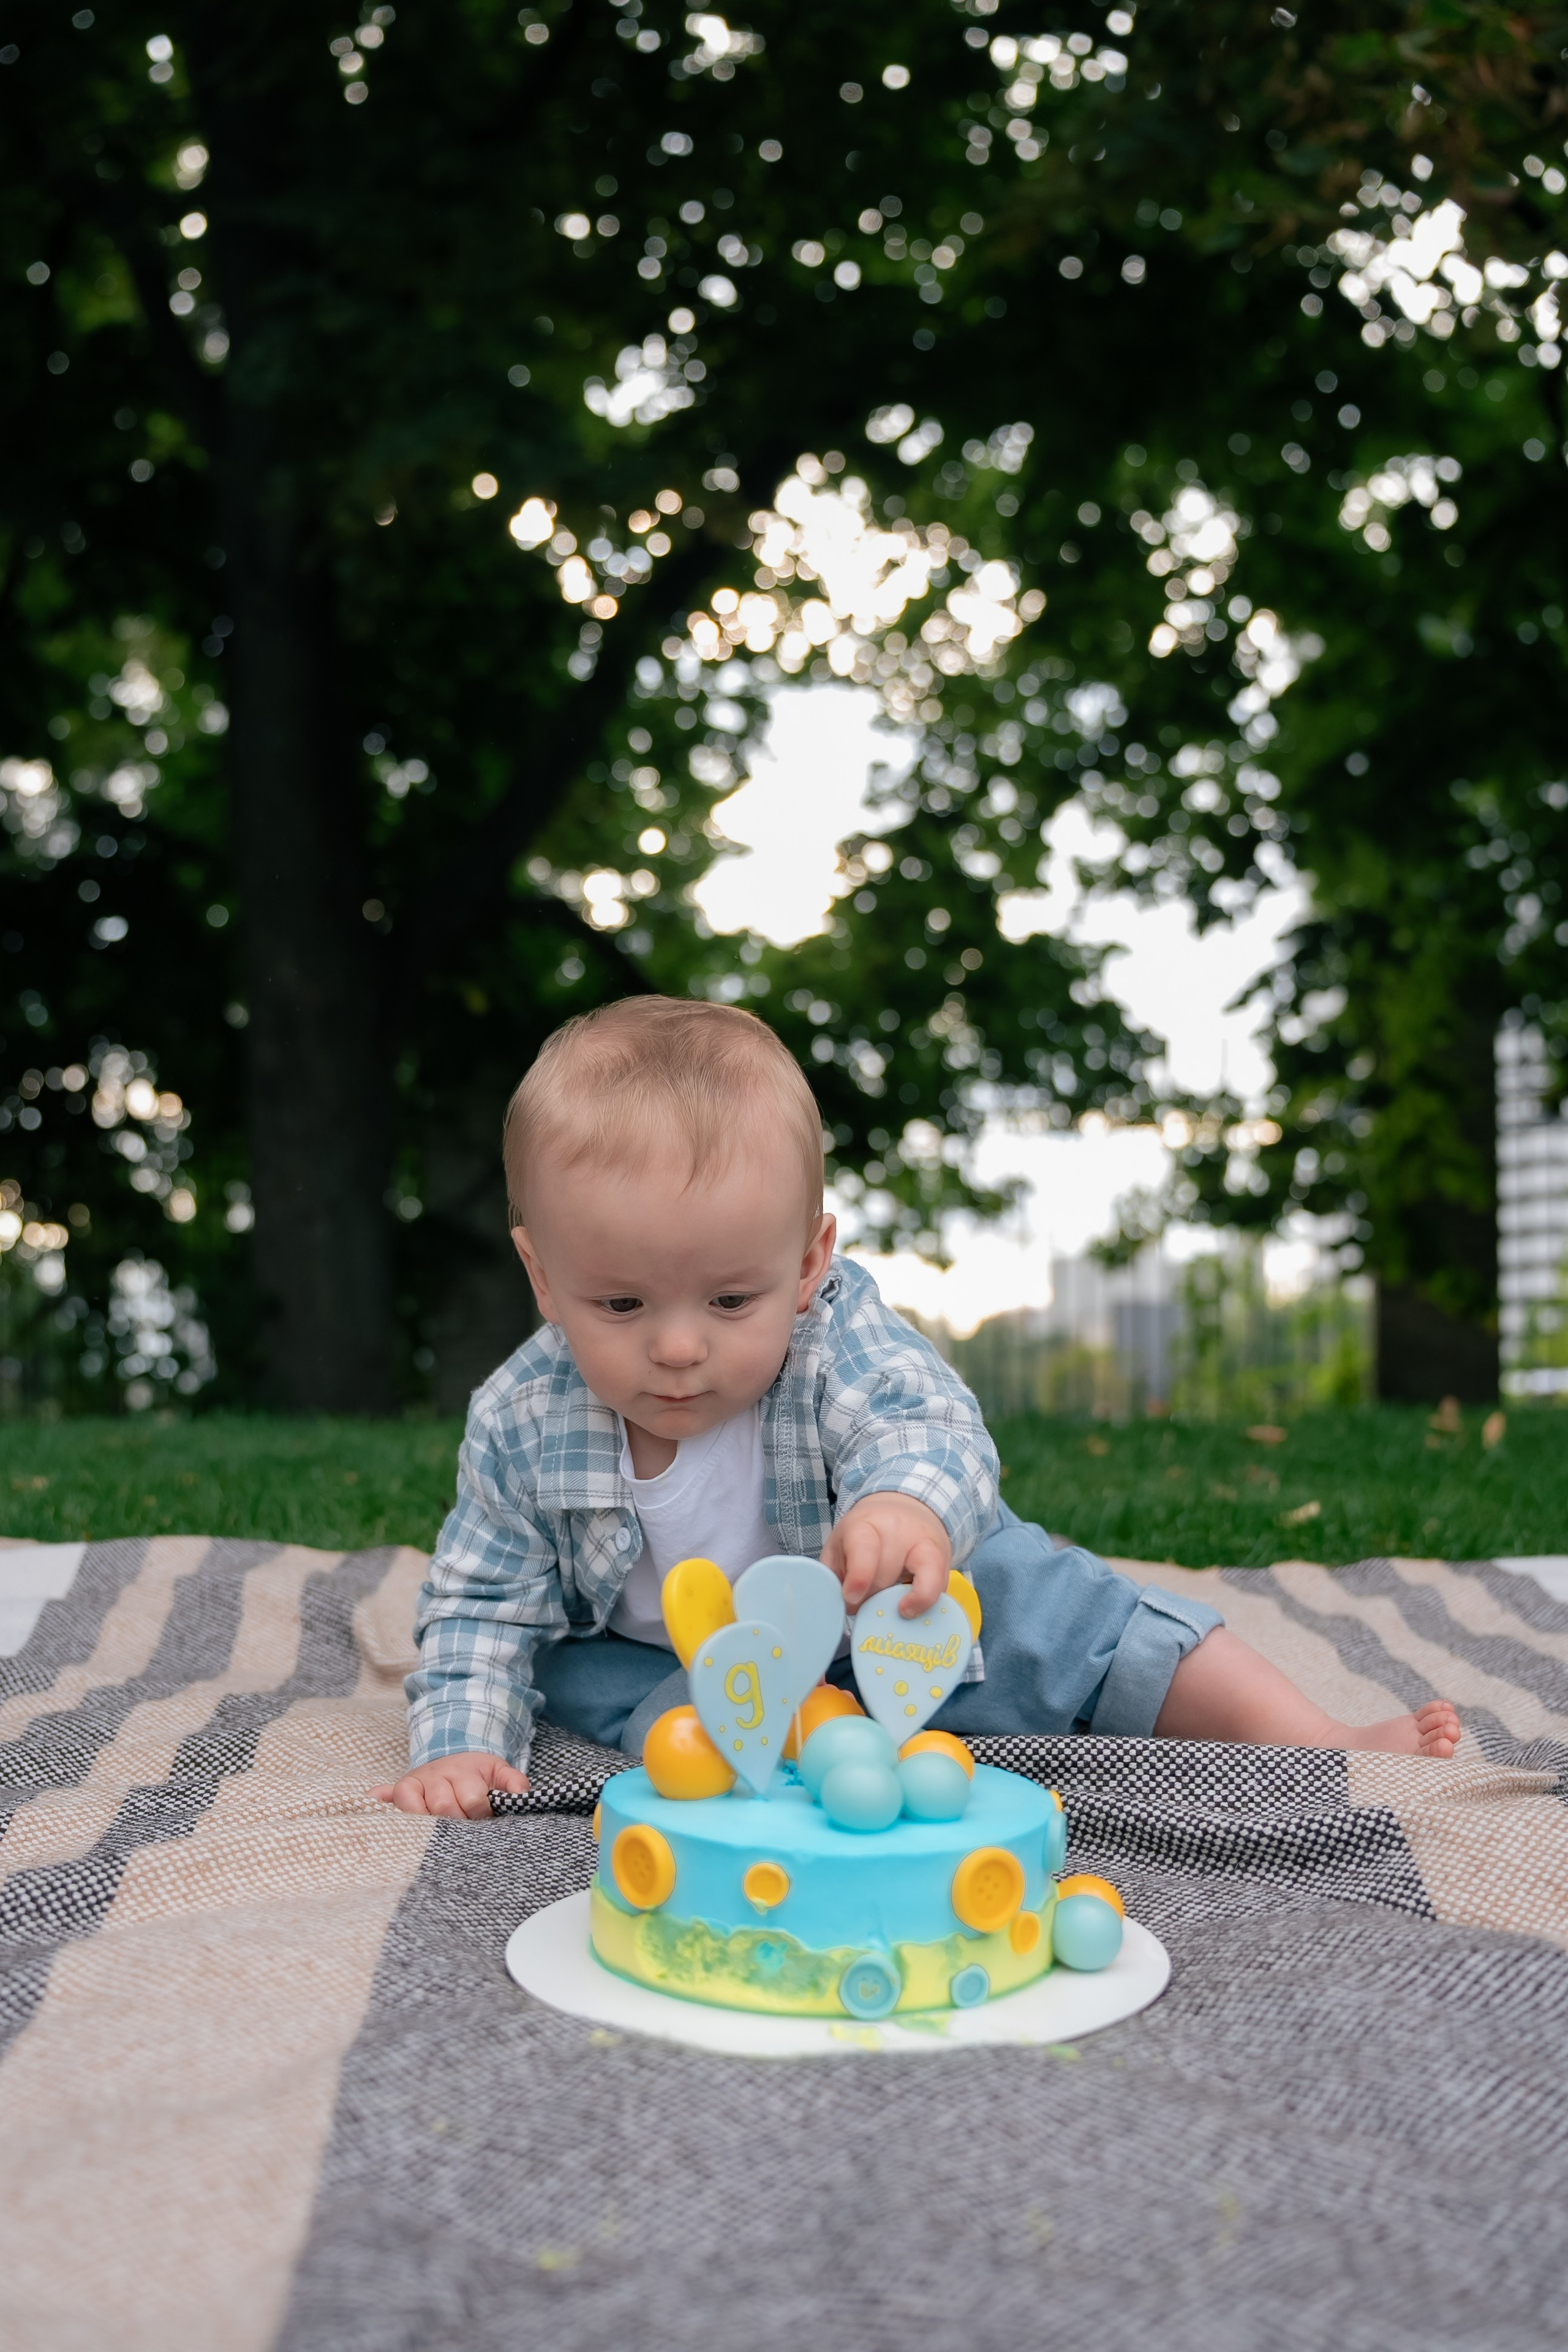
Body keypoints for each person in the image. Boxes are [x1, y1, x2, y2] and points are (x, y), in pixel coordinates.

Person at [379, 998, 1460, 1819]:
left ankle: (1313, 1736)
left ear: (808, 1265)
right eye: (619, 1302)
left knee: (1051, 1603)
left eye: (730, 1298)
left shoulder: (832, 1333)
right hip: (683, 1655)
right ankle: (795, 1755)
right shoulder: (521, 1418)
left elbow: (922, 1418)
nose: (676, 1344)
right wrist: (459, 1747)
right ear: (542, 1275)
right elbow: (482, 1606)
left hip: (880, 1608)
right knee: (592, 1688)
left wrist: (905, 1504)